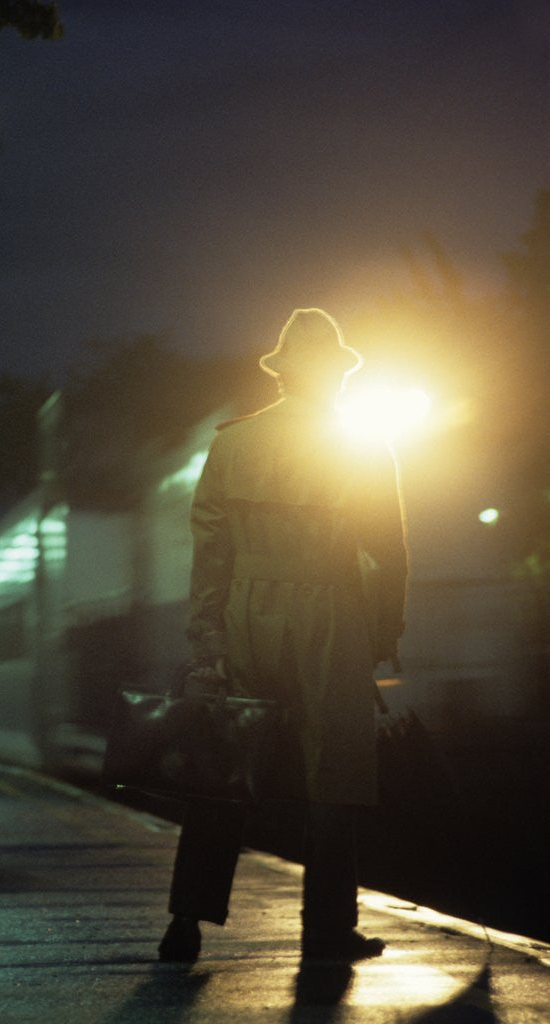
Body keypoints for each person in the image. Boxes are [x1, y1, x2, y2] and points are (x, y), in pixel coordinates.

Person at [159, 308, 408, 963]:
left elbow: (209, 550)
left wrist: (205, 641)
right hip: (329, 614)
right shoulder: (359, 444)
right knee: (334, 772)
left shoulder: (231, 442)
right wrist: (384, 631)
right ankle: (326, 930)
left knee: (226, 765)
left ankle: (185, 922)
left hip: (245, 612)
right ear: (334, 374)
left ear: (280, 373)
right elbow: (387, 550)